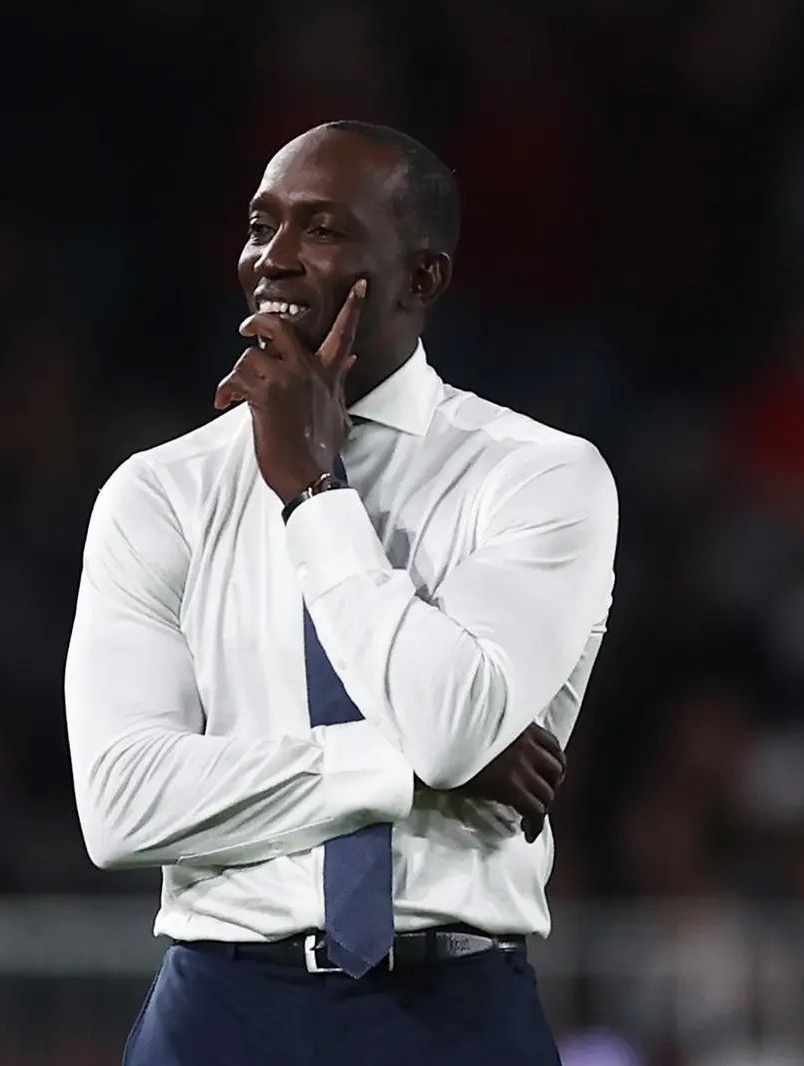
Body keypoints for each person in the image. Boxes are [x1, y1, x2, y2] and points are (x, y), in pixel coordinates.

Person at [64, 120, 618, 1065]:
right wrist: (402, 773)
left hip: (454, 1005)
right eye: (260, 225)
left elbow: (452, 729)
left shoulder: (539, 476)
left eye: (321, 229)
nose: (272, 258)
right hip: (220, 1006)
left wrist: (315, 492)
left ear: (421, 278)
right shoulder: (159, 492)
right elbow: (121, 807)